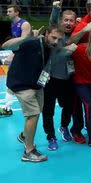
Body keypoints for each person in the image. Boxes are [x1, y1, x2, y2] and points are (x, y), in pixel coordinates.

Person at [3, 26, 63, 162]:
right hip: (22, 84)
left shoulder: (50, 47)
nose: (55, 41)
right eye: (54, 38)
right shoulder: (31, 42)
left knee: (38, 110)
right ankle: (28, 151)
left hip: (36, 84)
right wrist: (25, 38)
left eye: (59, 39)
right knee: (33, 114)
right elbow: (6, 45)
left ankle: (25, 135)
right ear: (46, 34)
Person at [42, 0, 84, 150]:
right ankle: (51, 136)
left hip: (68, 79)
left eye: (71, 21)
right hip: (50, 79)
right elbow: (53, 22)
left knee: (68, 107)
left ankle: (64, 127)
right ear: (61, 21)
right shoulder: (57, 34)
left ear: (74, 22)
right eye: (65, 20)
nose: (68, 23)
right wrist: (55, 9)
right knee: (48, 110)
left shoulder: (74, 34)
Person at [0, 5, 31, 116]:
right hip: (19, 56)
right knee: (12, 82)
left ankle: (8, 109)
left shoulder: (24, 24)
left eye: (10, 11)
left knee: (16, 82)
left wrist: (12, 55)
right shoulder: (12, 25)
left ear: (17, 12)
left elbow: (24, 42)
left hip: (26, 58)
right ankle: (7, 108)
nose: (7, 13)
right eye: (7, 11)